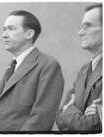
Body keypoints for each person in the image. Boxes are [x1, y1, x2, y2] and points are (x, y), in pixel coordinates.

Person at [0, 10, 64, 131]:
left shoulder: (48, 65)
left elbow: (42, 117)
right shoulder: (12, 66)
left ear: (29, 34)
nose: (4, 34)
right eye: (4, 29)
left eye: (11, 28)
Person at [56, 4, 102, 132]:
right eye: (81, 27)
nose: (80, 33)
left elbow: (94, 124)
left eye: (87, 26)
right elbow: (59, 119)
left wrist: (68, 111)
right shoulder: (83, 70)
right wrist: (78, 116)